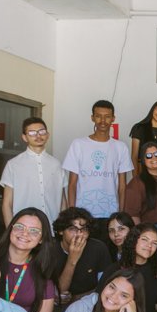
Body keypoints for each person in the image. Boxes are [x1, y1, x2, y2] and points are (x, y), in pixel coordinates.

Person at [62, 100, 133, 236]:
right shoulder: (78, 144)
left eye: (107, 116)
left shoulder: (121, 147)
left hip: (110, 214)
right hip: (83, 215)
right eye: (98, 116)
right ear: (92, 118)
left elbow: (122, 186)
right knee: (83, 248)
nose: (103, 121)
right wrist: (73, 214)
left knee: (107, 248)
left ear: (113, 118)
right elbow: (72, 184)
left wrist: (120, 214)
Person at [0, 117, 66, 229]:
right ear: (24, 137)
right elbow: (7, 204)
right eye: (32, 133)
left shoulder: (56, 164)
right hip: (24, 230)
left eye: (42, 132)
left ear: (47, 135)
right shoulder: (13, 165)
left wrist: (63, 228)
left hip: (52, 228)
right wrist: (10, 231)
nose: (38, 136)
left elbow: (63, 201)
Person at [53, 207, 112, 301]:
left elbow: (105, 286)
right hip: (57, 302)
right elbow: (59, 293)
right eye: (73, 229)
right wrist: (72, 260)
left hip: (90, 300)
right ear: (61, 231)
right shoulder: (50, 250)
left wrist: (78, 298)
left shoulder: (98, 248)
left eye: (83, 229)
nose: (79, 234)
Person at [129, 100, 157, 177]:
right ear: (153, 109)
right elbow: (134, 157)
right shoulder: (139, 128)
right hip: (142, 173)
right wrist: (135, 178)